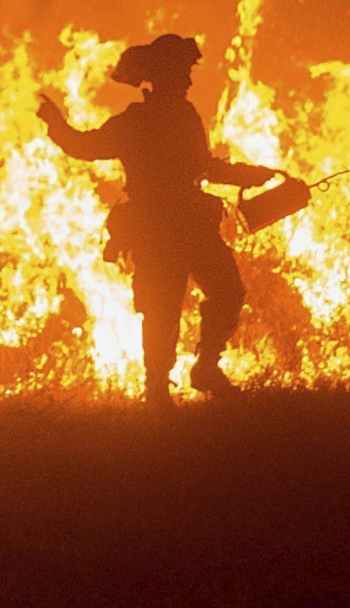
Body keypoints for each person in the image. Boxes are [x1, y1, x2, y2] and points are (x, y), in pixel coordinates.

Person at [37, 32, 278, 403]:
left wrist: (247, 175)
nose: (189, 80)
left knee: (227, 291)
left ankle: (205, 368)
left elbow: (202, 166)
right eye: (184, 72)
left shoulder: (184, 115)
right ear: (165, 75)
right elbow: (85, 146)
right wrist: (56, 123)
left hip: (187, 221)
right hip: (157, 226)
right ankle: (157, 388)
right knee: (162, 309)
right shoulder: (137, 122)